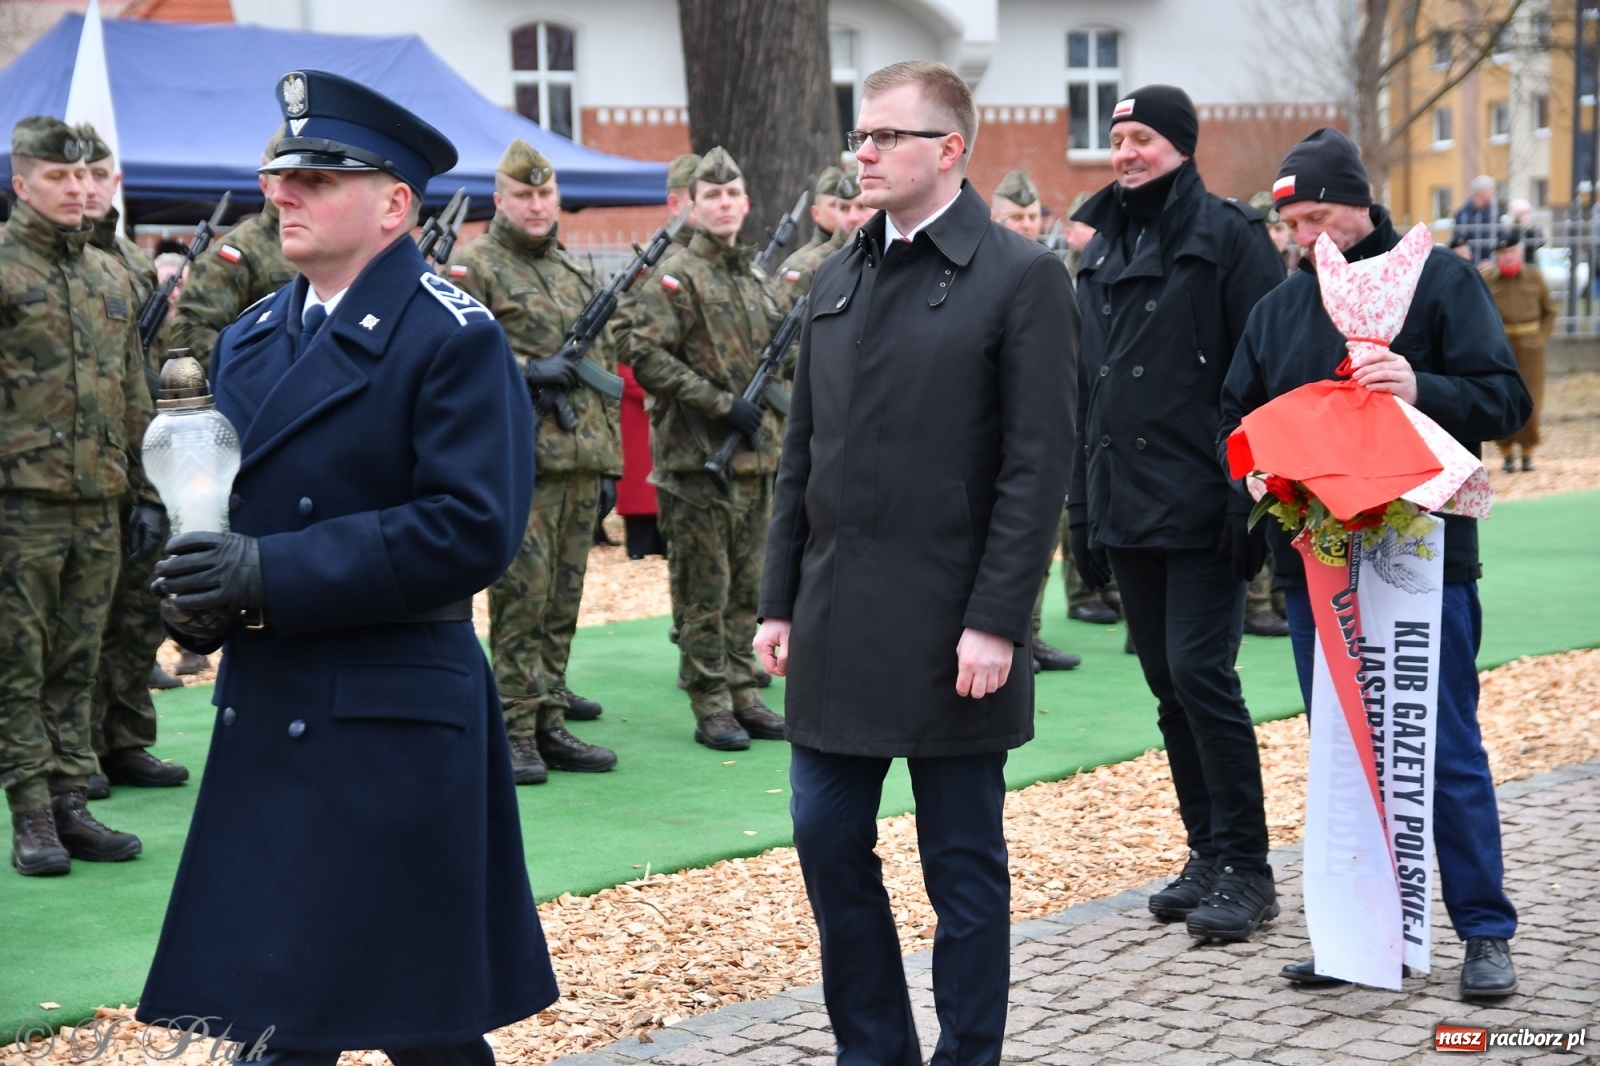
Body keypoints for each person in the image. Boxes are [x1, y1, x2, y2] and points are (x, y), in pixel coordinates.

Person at [136, 70, 557, 1055]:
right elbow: (219, 506)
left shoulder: (454, 335)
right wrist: (198, 592)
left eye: (316, 178)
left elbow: (470, 527)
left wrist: (266, 575)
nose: (281, 193)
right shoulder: (249, 339)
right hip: (274, 697)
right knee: (279, 1016)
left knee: (426, 1024)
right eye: (279, 175)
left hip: (394, 713)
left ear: (393, 204)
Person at [755, 60, 1075, 1064]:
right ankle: (874, 1049)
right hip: (838, 623)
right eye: (861, 136)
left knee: (963, 868)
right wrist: (777, 602)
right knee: (824, 838)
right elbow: (800, 452)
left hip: (953, 633)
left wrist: (997, 619)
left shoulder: (1020, 278)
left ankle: (966, 1052)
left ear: (949, 149)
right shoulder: (840, 271)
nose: (866, 152)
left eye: (888, 137)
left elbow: (1036, 466)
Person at [1220, 126, 1531, 998]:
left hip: (1426, 564)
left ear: (1360, 202)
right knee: (1346, 756)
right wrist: (1259, 475)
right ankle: (1360, 937)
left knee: (1444, 747)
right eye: (1291, 224)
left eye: (1319, 216)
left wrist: (1420, 385)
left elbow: (1507, 398)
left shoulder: (1440, 280)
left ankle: (1484, 931)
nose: (1306, 238)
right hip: (1313, 571)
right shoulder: (1280, 309)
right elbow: (1232, 424)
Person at [1069, 85, 1285, 939]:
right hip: (1126, 501)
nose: (1126, 151)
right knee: (1166, 686)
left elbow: (1267, 377)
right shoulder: (1103, 241)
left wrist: (1252, 497)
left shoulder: (1230, 238)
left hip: (1204, 500)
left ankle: (1250, 866)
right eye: (1118, 137)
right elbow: (1090, 389)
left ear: (1184, 146)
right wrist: (1083, 509)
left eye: (1144, 137)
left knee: (1204, 675)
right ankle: (1207, 853)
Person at [3, 116, 152, 876]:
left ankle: (70, 802)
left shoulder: (108, 275)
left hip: (99, 504)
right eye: (60, 178)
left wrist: (148, 487)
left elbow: (133, 392)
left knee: (78, 660)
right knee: (17, 663)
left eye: (90, 177)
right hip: (17, 506)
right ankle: (30, 814)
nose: (79, 189)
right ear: (22, 183)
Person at [446, 139, 620, 782]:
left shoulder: (573, 272)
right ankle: (514, 728)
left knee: (563, 599)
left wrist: (608, 465)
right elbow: (456, 359)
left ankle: (549, 720)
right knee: (522, 598)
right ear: (500, 201)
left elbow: (599, 377)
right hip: (519, 463)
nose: (537, 204)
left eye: (545, 193)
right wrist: (525, 370)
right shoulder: (475, 267)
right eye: (524, 194)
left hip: (576, 460)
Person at [619, 147, 787, 751]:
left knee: (750, 586)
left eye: (732, 195)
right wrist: (719, 403)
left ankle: (745, 690)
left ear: (746, 203)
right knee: (703, 591)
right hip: (698, 462)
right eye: (711, 196)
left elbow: (786, 357)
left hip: (757, 460)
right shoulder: (676, 275)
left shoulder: (758, 278)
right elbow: (644, 354)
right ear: (692, 206)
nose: (724, 204)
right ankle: (711, 701)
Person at [76, 123, 192, 795]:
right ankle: (78, 751)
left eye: (99, 175)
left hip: (139, 460)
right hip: (68, 470)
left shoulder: (128, 257)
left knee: (138, 608)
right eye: (76, 177)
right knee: (80, 621)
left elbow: (150, 367)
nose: (89, 188)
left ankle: (125, 737)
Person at [615, 153, 699, 562]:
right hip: (668, 413)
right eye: (697, 198)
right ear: (674, 204)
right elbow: (623, 336)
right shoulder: (654, 264)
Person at [170, 127, 297, 371]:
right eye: (283, 176)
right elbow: (189, 335)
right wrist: (257, 369)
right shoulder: (235, 252)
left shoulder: (338, 243)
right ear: (264, 185)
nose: (295, 188)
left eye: (309, 177)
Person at [1483, 231, 1557, 472]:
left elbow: (1550, 311)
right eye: (1502, 253)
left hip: (1531, 350)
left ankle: (1527, 452)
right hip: (1500, 350)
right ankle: (1505, 453)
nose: (1507, 256)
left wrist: (1541, 338)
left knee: (1531, 401)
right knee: (1503, 400)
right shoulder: (1488, 281)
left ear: (1520, 252)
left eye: (1511, 251)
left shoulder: (1535, 278)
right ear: (1496, 256)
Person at [1453, 175, 1499, 263]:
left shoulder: (1495, 213)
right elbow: (1460, 243)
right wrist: (1476, 262)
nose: (1494, 193)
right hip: (1471, 265)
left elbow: (1500, 238)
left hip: (1492, 265)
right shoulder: (1463, 214)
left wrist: (1491, 261)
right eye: (1491, 189)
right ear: (1481, 191)